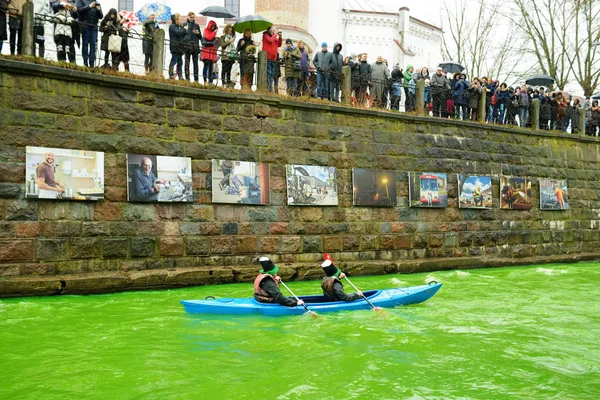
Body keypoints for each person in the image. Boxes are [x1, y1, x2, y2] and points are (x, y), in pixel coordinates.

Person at [76, 0, 103, 67]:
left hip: (94, 26)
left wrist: (99, 10)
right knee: (85, 44)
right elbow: (79, 10)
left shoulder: (97, 3)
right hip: (85, 24)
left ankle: (92, 64)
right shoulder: (81, 0)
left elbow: (101, 16)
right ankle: (85, 63)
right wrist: (89, 6)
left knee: (93, 44)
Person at [262, 25, 282, 92]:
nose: (274, 31)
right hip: (267, 57)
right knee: (268, 72)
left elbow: (279, 44)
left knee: (272, 74)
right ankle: (268, 87)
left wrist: (280, 37)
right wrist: (275, 34)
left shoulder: (274, 37)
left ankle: (270, 87)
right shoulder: (265, 35)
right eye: (273, 30)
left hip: (273, 58)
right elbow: (270, 40)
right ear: (270, 30)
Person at [183, 11, 201, 82]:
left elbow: (200, 37)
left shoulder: (196, 25)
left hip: (195, 47)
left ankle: (196, 79)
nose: (192, 18)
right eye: (191, 17)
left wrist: (197, 33)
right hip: (187, 46)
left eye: (193, 17)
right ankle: (187, 78)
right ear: (188, 17)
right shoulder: (184, 24)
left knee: (195, 63)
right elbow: (182, 35)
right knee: (187, 63)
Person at [168, 13, 185, 79]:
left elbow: (182, 35)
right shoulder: (172, 26)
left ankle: (180, 75)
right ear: (176, 19)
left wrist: (183, 29)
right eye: (180, 19)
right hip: (175, 47)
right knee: (174, 61)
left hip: (180, 47)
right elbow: (178, 33)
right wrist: (184, 29)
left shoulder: (179, 26)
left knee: (180, 62)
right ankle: (171, 74)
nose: (181, 21)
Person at [201, 20, 218, 84]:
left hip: (212, 52)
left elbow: (214, 42)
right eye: (212, 26)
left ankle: (210, 81)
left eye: (214, 26)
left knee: (211, 68)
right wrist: (214, 33)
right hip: (207, 52)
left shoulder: (214, 33)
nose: (213, 27)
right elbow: (209, 37)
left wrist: (216, 39)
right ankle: (205, 80)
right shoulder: (206, 30)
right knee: (206, 66)